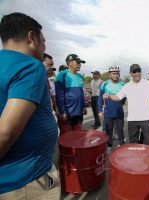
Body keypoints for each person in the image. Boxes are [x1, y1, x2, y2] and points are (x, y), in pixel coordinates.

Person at [0, 12, 60, 199]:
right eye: (43, 40)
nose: (44, 47)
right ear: (31, 37)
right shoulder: (30, 66)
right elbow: (5, 132)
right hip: (26, 181)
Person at [104, 64, 149, 146]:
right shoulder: (127, 86)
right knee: (133, 143)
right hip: (132, 119)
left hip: (146, 118)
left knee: (148, 142)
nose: (137, 73)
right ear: (130, 73)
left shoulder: (147, 83)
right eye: (134, 71)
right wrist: (109, 95)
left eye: (138, 71)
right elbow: (117, 97)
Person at [55, 54, 87, 135]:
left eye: (81, 63)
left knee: (77, 135)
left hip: (79, 112)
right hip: (68, 113)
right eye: (78, 62)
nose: (80, 65)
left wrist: (83, 107)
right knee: (67, 137)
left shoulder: (80, 76)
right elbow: (59, 95)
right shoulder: (62, 75)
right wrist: (62, 112)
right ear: (70, 62)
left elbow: (81, 93)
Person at [99, 66, 125, 151]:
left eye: (117, 74)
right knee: (108, 131)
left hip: (119, 112)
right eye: (114, 73)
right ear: (109, 74)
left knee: (120, 131)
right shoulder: (104, 84)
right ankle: (109, 146)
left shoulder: (122, 84)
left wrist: (121, 103)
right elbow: (100, 98)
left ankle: (121, 145)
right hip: (108, 112)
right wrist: (99, 110)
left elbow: (124, 98)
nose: (116, 75)